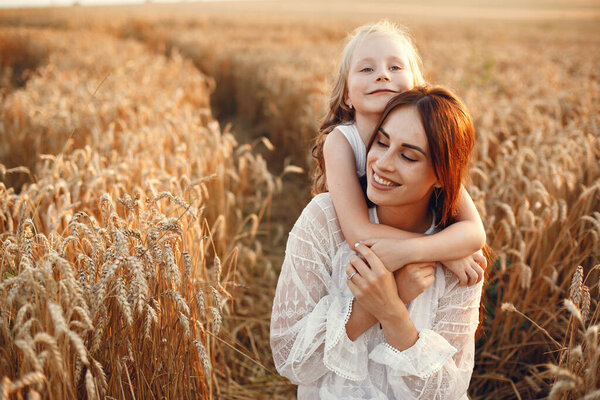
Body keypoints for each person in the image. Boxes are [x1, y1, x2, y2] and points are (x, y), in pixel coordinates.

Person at [271, 86, 484, 399]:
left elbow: (446, 392)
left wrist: (394, 314)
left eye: (408, 156)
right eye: (381, 142)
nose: (383, 163)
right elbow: (291, 361)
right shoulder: (325, 221)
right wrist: (382, 299)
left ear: (441, 175)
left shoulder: (461, 254)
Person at [312, 20, 486, 283]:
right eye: (367, 68)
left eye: (395, 67)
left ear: (415, 87)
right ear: (347, 94)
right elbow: (358, 233)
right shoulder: (341, 141)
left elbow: (474, 233)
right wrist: (443, 251)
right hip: (354, 262)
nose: (382, 75)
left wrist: (417, 250)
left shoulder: (430, 140)